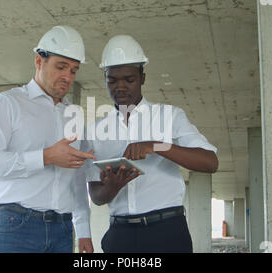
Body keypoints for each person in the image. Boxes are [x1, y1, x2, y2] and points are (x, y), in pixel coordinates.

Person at [82, 35, 219, 253]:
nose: (120, 87)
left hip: (167, 233)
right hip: (120, 236)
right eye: (112, 80)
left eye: (129, 79)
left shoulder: (170, 116)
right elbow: (96, 196)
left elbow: (210, 162)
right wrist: (112, 187)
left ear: (142, 78)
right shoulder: (94, 131)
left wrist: (157, 146)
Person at [0, 26, 95, 253]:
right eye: (61, 67)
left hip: (63, 230)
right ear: (39, 61)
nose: (67, 77)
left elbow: (77, 179)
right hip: (15, 226)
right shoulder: (8, 103)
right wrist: (45, 157)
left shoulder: (74, 116)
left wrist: (84, 230)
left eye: (74, 70)